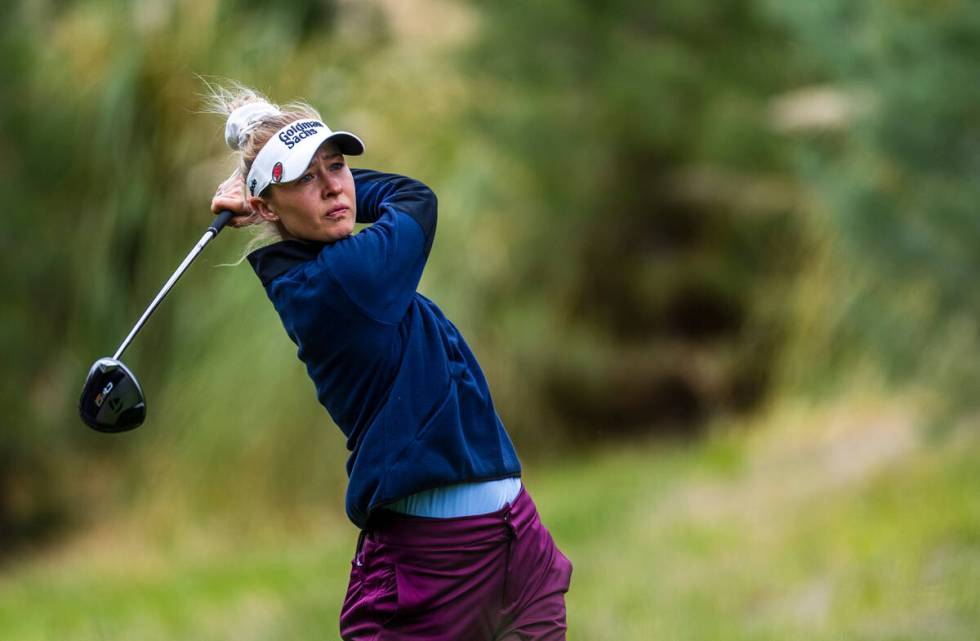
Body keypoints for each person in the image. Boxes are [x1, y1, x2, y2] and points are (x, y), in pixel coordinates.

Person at [207, 84, 572, 640]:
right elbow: (414, 199)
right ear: (264, 206)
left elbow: (367, 200)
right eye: (306, 177)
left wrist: (282, 185)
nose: (333, 187)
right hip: (431, 561)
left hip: (514, 534)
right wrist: (274, 188)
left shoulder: (335, 265)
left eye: (338, 166)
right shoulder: (341, 280)